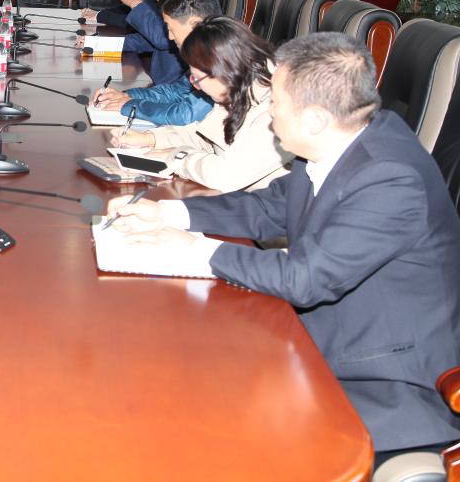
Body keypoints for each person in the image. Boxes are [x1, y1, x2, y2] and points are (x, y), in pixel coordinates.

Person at [106, 32, 460, 459]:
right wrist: (169, 213)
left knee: (207, 424)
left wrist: (190, 249)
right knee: (176, 362)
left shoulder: (390, 178)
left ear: (315, 119)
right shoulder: (346, 138)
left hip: (385, 381)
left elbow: (305, 279)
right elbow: (269, 207)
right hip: (322, 336)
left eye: (276, 103)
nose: (269, 115)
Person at [109, 16, 292, 192]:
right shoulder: (237, 87)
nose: (195, 86)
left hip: (261, 208)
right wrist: (151, 138)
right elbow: (207, 137)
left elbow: (225, 175)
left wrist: (176, 157)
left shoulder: (278, 109)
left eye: (196, 79)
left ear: (221, 72)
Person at [92, 0, 220, 125]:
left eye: (171, 29)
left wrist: (131, 105)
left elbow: (185, 115)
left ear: (194, 23)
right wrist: (125, 95)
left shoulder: (220, 56)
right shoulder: (201, 51)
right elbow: (174, 92)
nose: (170, 36)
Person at [117, 0, 195, 86]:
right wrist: (97, 44)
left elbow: (162, 39)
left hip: (174, 90)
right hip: (162, 88)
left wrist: (136, 4)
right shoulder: (173, 4)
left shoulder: (194, 7)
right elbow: (145, 41)